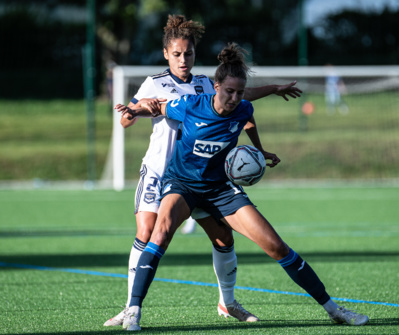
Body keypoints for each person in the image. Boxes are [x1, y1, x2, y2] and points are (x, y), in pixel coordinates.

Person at [115, 42, 369, 331]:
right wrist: (137, 109)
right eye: (229, 92)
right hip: (182, 185)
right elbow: (158, 106)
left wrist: (261, 151)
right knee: (158, 234)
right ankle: (133, 309)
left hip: (221, 189)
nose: (234, 98)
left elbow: (248, 119)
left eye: (239, 92)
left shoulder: (243, 108)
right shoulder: (190, 105)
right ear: (216, 87)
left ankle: (333, 309)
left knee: (276, 246)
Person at [104, 14, 302, 327]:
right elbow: (129, 117)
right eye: (178, 54)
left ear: (196, 55)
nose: (184, 60)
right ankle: (131, 308)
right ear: (166, 54)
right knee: (148, 233)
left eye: (190, 54)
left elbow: (241, 99)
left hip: (201, 176)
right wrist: (131, 112)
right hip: (160, 172)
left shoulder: (203, 84)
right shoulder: (154, 83)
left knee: (223, 237)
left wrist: (273, 90)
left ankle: (228, 302)